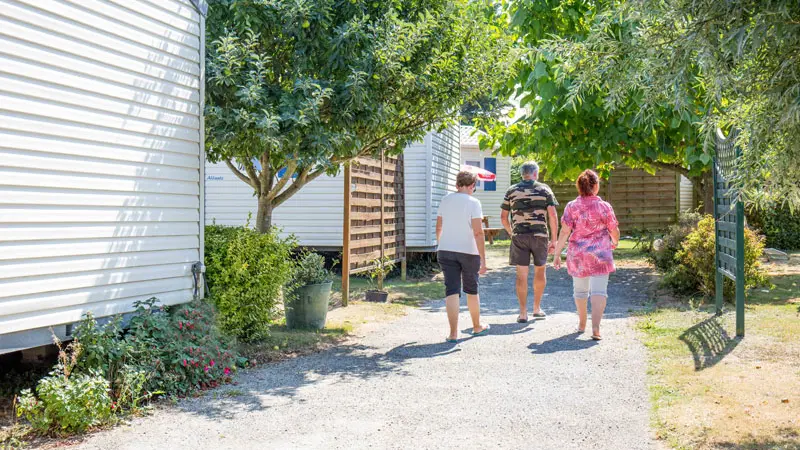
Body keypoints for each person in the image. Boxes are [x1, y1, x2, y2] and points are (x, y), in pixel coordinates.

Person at [552, 169, 620, 341]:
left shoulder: (571, 206)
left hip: (578, 254)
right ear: (595, 186)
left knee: (580, 291)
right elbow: (614, 230)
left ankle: (582, 323)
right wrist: (615, 242)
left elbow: (564, 232)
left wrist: (557, 253)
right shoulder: (604, 206)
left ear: (579, 187)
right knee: (599, 291)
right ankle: (596, 328)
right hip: (600, 253)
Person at [500, 161, 559, 323]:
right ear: (535, 173)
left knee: (521, 275)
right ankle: (537, 308)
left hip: (519, 236)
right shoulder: (544, 189)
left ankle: (523, 313)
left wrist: (512, 233)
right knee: (540, 271)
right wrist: (554, 240)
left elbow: (503, 218)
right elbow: (553, 216)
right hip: (540, 236)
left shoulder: (511, 191)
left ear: (522, 174)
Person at [436, 171, 490, 342]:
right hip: (468, 251)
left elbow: (439, 227)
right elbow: (478, 232)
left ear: (457, 185)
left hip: (445, 250)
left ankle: (453, 333)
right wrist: (483, 259)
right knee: (471, 290)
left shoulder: (445, 200)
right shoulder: (474, 202)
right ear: (472, 186)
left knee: (451, 290)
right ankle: (476, 326)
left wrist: (442, 244)